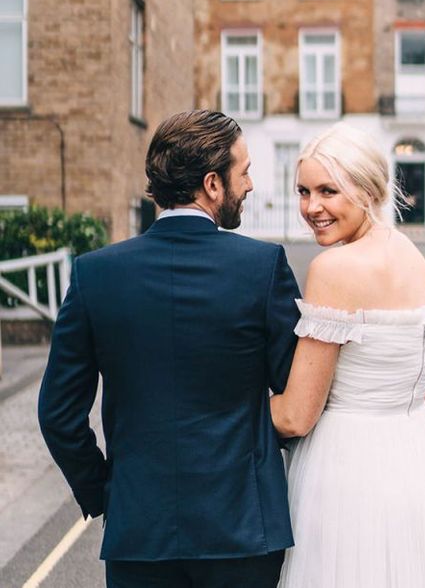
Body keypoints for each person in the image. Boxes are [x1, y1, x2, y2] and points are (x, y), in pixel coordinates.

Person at [38, 110, 301, 588]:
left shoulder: (95, 274)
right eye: (244, 172)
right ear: (212, 184)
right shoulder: (263, 268)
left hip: (139, 528)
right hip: (242, 527)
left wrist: (104, 493)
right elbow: (293, 394)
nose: (251, 185)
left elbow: (57, 413)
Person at [270, 122, 425, 588]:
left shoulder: (334, 269)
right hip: (419, 463)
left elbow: (298, 416)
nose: (311, 207)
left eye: (328, 191)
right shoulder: (413, 257)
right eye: (303, 191)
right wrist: (402, 453)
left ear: (367, 190)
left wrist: (220, 411)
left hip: (346, 472)